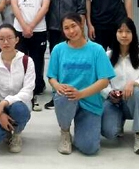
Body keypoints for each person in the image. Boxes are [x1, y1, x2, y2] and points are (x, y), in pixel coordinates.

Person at [47, 13, 115, 155]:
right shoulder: (58, 49)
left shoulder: (97, 50)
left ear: (81, 25)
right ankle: (65, 131)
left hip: (89, 101)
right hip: (66, 98)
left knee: (89, 148)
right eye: (66, 28)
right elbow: (52, 77)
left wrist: (80, 94)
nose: (71, 31)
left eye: (74, 26)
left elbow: (104, 81)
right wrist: (57, 86)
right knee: (64, 95)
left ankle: (84, 125)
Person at [44, 0, 86, 110]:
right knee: (57, 62)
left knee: (73, 62)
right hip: (53, 28)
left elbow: (81, 7)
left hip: (72, 30)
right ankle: (57, 94)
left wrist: (80, 30)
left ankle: (76, 91)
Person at [100, 18, 139, 154]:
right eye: (120, 31)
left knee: (137, 91)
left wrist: (133, 83)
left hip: (132, 101)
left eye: (128, 31)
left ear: (133, 34)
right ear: (115, 34)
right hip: (113, 101)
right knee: (109, 133)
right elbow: (102, 81)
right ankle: (118, 122)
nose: (124, 35)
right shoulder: (107, 56)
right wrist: (109, 93)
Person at [9, 0, 52, 111]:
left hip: (39, 29)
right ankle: (21, 91)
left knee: (36, 61)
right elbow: (14, 5)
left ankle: (34, 91)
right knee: (19, 61)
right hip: (19, 29)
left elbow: (45, 6)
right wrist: (24, 26)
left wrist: (31, 26)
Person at [0, 24, 35, 153]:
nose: (5, 42)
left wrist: (6, 102)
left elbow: (28, 91)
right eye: (1, 39)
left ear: (16, 39)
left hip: (19, 104)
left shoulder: (26, 61)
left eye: (9, 38)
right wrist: (0, 113)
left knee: (19, 110)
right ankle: (6, 129)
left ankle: (17, 133)